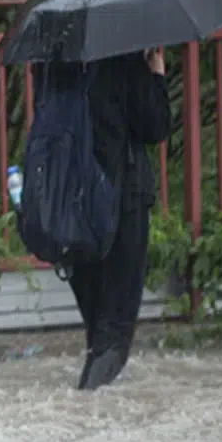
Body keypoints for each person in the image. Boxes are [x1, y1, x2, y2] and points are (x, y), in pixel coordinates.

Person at [49, 49, 171, 390]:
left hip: (71, 205)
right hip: (123, 202)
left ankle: (97, 390)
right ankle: (88, 404)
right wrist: (156, 73)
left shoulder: (55, 64)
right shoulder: (124, 59)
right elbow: (155, 126)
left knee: (97, 320)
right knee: (115, 328)